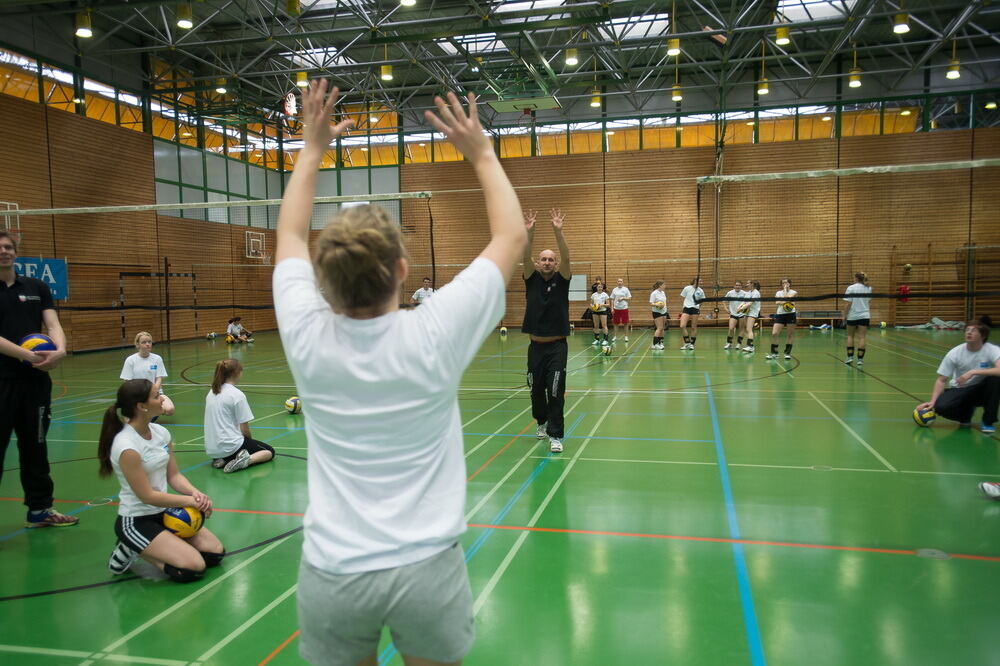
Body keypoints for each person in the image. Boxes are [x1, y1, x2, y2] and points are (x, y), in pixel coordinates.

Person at [273, 81, 525, 666]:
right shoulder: (434, 332)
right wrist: (481, 152)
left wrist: (311, 149)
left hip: (333, 571)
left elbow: (287, 234)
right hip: (426, 569)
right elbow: (511, 236)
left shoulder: (307, 336)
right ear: (403, 271)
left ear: (322, 279)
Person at [98, 378, 224, 581]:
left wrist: (196, 495)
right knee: (193, 568)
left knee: (214, 554)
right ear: (141, 406)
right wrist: (189, 502)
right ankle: (132, 547)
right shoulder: (126, 446)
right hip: (136, 520)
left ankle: (151, 545)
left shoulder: (160, 433)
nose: (163, 398)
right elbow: (147, 496)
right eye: (157, 396)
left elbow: (173, 475)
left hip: (164, 514)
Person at [0, 229, 78, 528]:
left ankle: (40, 510)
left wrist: (59, 349)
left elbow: (52, 322)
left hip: (34, 383)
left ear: (15, 253)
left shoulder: (36, 286)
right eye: (0, 247)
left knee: (36, 446)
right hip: (2, 381)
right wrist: (25, 354)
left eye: (9, 247)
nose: (4, 251)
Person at [523, 207, 572, 453]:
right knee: (536, 391)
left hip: (556, 347)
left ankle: (556, 435)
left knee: (555, 390)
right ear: (537, 262)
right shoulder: (530, 279)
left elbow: (566, 255)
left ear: (556, 263)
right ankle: (541, 422)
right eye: (543, 259)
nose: (547, 262)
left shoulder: (562, 280)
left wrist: (557, 231)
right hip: (535, 347)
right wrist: (529, 234)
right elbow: (524, 254)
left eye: (551, 259)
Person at [916, 317, 999, 435]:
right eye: (967, 330)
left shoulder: (992, 350)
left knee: (995, 380)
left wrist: (973, 372)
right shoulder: (955, 353)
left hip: (982, 390)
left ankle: (988, 422)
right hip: (961, 389)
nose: (969, 332)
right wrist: (933, 402)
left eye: (973, 330)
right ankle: (965, 414)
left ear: (983, 335)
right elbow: (941, 380)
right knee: (941, 407)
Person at [204, 358, 274, 473]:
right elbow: (245, 429)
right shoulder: (237, 395)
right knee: (269, 451)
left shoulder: (211, 392)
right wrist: (249, 445)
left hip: (212, 450)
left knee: (234, 446)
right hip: (231, 447)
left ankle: (223, 459)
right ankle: (246, 460)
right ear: (236, 373)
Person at [120, 331, 175, 416]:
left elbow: (158, 378)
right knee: (130, 416)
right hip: (138, 395)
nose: (147, 344)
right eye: (144, 342)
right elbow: (127, 381)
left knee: (169, 409)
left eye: (149, 342)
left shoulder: (157, 359)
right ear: (137, 345)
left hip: (156, 393)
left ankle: (152, 412)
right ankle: (148, 412)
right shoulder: (130, 360)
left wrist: (153, 393)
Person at [843, 272, 872, 366]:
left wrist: (844, 315)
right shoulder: (868, 288)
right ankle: (860, 360)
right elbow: (868, 302)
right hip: (865, 315)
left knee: (850, 336)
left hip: (852, 315)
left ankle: (850, 357)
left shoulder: (851, 288)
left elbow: (848, 303)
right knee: (862, 337)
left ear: (856, 278)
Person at [766, 278, 797, 360]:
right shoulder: (778, 292)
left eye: (786, 283)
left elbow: (786, 298)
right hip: (780, 314)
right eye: (783, 283)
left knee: (790, 334)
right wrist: (787, 300)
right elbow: (777, 302)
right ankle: (774, 353)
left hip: (791, 314)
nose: (785, 284)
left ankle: (787, 353)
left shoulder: (794, 292)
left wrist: (784, 298)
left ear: (790, 283)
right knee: (774, 333)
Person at [679, 276, 704, 350]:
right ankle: (687, 343)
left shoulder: (701, 291)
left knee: (693, 327)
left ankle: (692, 344)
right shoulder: (687, 288)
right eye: (699, 281)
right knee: (682, 326)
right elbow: (682, 297)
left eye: (701, 281)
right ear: (695, 281)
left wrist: (699, 307)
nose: (700, 282)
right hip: (686, 308)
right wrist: (683, 307)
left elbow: (702, 301)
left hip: (695, 309)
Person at [724, 279, 745, 350]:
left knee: (741, 329)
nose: (737, 286)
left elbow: (748, 303)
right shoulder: (730, 293)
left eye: (739, 285)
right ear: (734, 286)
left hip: (742, 314)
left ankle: (739, 344)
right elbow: (724, 300)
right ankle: (729, 343)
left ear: (741, 286)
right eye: (736, 285)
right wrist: (726, 309)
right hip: (733, 314)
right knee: (731, 328)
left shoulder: (744, 293)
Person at [741, 279, 761, 353]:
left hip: (753, 312)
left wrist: (742, 308)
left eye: (748, 283)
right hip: (747, 312)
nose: (747, 284)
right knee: (747, 329)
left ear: (752, 284)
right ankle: (750, 343)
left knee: (749, 329)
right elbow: (744, 301)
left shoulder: (756, 293)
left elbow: (750, 303)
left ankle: (750, 346)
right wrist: (739, 307)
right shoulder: (748, 292)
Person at [610, 278, 632, 343]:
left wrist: (623, 298)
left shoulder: (626, 289)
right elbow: (612, 299)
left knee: (625, 323)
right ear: (617, 282)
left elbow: (629, 298)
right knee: (615, 323)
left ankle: (626, 336)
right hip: (616, 308)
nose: (619, 282)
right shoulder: (614, 289)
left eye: (621, 281)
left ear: (622, 282)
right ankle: (615, 336)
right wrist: (611, 308)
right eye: (618, 281)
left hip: (624, 308)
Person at [590, 281, 610, 347]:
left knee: (604, 325)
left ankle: (606, 340)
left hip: (603, 311)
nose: (600, 288)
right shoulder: (593, 295)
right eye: (598, 287)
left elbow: (608, 304)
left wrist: (602, 305)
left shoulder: (605, 295)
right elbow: (591, 303)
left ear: (602, 288)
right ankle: (597, 339)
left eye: (601, 287)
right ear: (596, 288)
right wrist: (593, 306)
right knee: (596, 326)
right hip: (595, 312)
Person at [649, 280, 668, 350]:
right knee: (659, 328)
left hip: (664, 311)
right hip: (657, 312)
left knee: (662, 328)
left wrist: (664, 308)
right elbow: (651, 303)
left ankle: (660, 342)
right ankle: (654, 344)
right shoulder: (654, 293)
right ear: (660, 285)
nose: (665, 286)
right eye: (664, 284)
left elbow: (664, 302)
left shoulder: (663, 292)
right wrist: (657, 304)